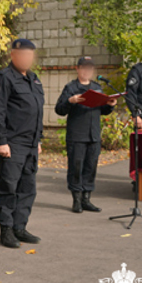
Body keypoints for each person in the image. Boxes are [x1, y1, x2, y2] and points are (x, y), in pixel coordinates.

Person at [0, 38, 44, 249]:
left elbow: (37, 112)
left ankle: (20, 226)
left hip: (30, 144)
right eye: (23, 55)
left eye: (30, 55)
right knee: (8, 187)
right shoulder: (4, 78)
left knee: (28, 188)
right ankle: (6, 229)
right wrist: (1, 141)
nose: (27, 59)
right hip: (12, 143)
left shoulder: (33, 79)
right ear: (13, 55)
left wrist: (38, 140)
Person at [55, 57, 117, 213]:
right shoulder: (70, 87)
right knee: (76, 168)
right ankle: (76, 200)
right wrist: (70, 101)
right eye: (83, 68)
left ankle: (86, 199)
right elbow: (59, 109)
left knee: (91, 166)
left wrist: (110, 106)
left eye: (89, 68)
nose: (87, 71)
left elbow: (102, 110)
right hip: (77, 135)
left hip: (93, 134)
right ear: (77, 69)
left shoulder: (97, 88)